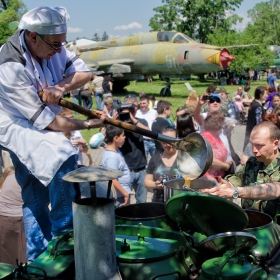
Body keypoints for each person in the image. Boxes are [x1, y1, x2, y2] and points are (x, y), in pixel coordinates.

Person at [0, 7, 105, 261]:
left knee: (35, 191)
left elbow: (84, 73)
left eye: (62, 44)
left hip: (43, 118)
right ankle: (62, 237)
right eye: (56, 45)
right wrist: (87, 124)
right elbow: (49, 123)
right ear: (33, 36)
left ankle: (43, 252)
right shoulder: (10, 66)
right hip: (18, 125)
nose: (59, 51)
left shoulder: (52, 42)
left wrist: (59, 86)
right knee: (59, 155)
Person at [201, 122, 280, 220]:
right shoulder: (252, 162)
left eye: (259, 145)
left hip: (273, 231)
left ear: (275, 144)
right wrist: (225, 186)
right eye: (252, 145)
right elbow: (237, 178)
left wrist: (236, 191)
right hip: (249, 224)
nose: (254, 150)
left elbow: (275, 190)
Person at [119, 95, 149, 203]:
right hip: (125, 170)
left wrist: (132, 118)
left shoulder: (141, 121)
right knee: (123, 201)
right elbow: (107, 134)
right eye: (130, 107)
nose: (133, 109)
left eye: (134, 106)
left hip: (141, 169)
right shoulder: (118, 122)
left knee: (142, 202)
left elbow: (147, 131)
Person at [145, 126, 181, 203]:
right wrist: (156, 185)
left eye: (171, 140)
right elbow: (147, 181)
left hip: (179, 202)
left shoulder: (184, 158)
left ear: (177, 139)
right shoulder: (155, 158)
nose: (168, 144)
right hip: (158, 203)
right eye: (164, 141)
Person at [0, 166, 26, 265]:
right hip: (17, 220)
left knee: (5, 262)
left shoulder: (10, 175)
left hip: (3, 219)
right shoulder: (24, 177)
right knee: (22, 261)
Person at [102, 125, 130, 206]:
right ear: (116, 138)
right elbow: (113, 179)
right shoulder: (112, 157)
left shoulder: (116, 151)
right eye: (123, 135)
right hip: (120, 196)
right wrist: (125, 193)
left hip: (122, 193)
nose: (125, 137)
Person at [201, 112, 232, 179]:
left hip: (218, 175)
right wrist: (226, 166)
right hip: (209, 178)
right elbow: (211, 161)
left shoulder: (215, 135)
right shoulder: (208, 137)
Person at [243, 86, 267, 150]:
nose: (267, 95)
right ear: (261, 95)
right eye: (266, 94)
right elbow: (258, 123)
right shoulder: (258, 107)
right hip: (255, 135)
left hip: (250, 133)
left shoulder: (254, 104)